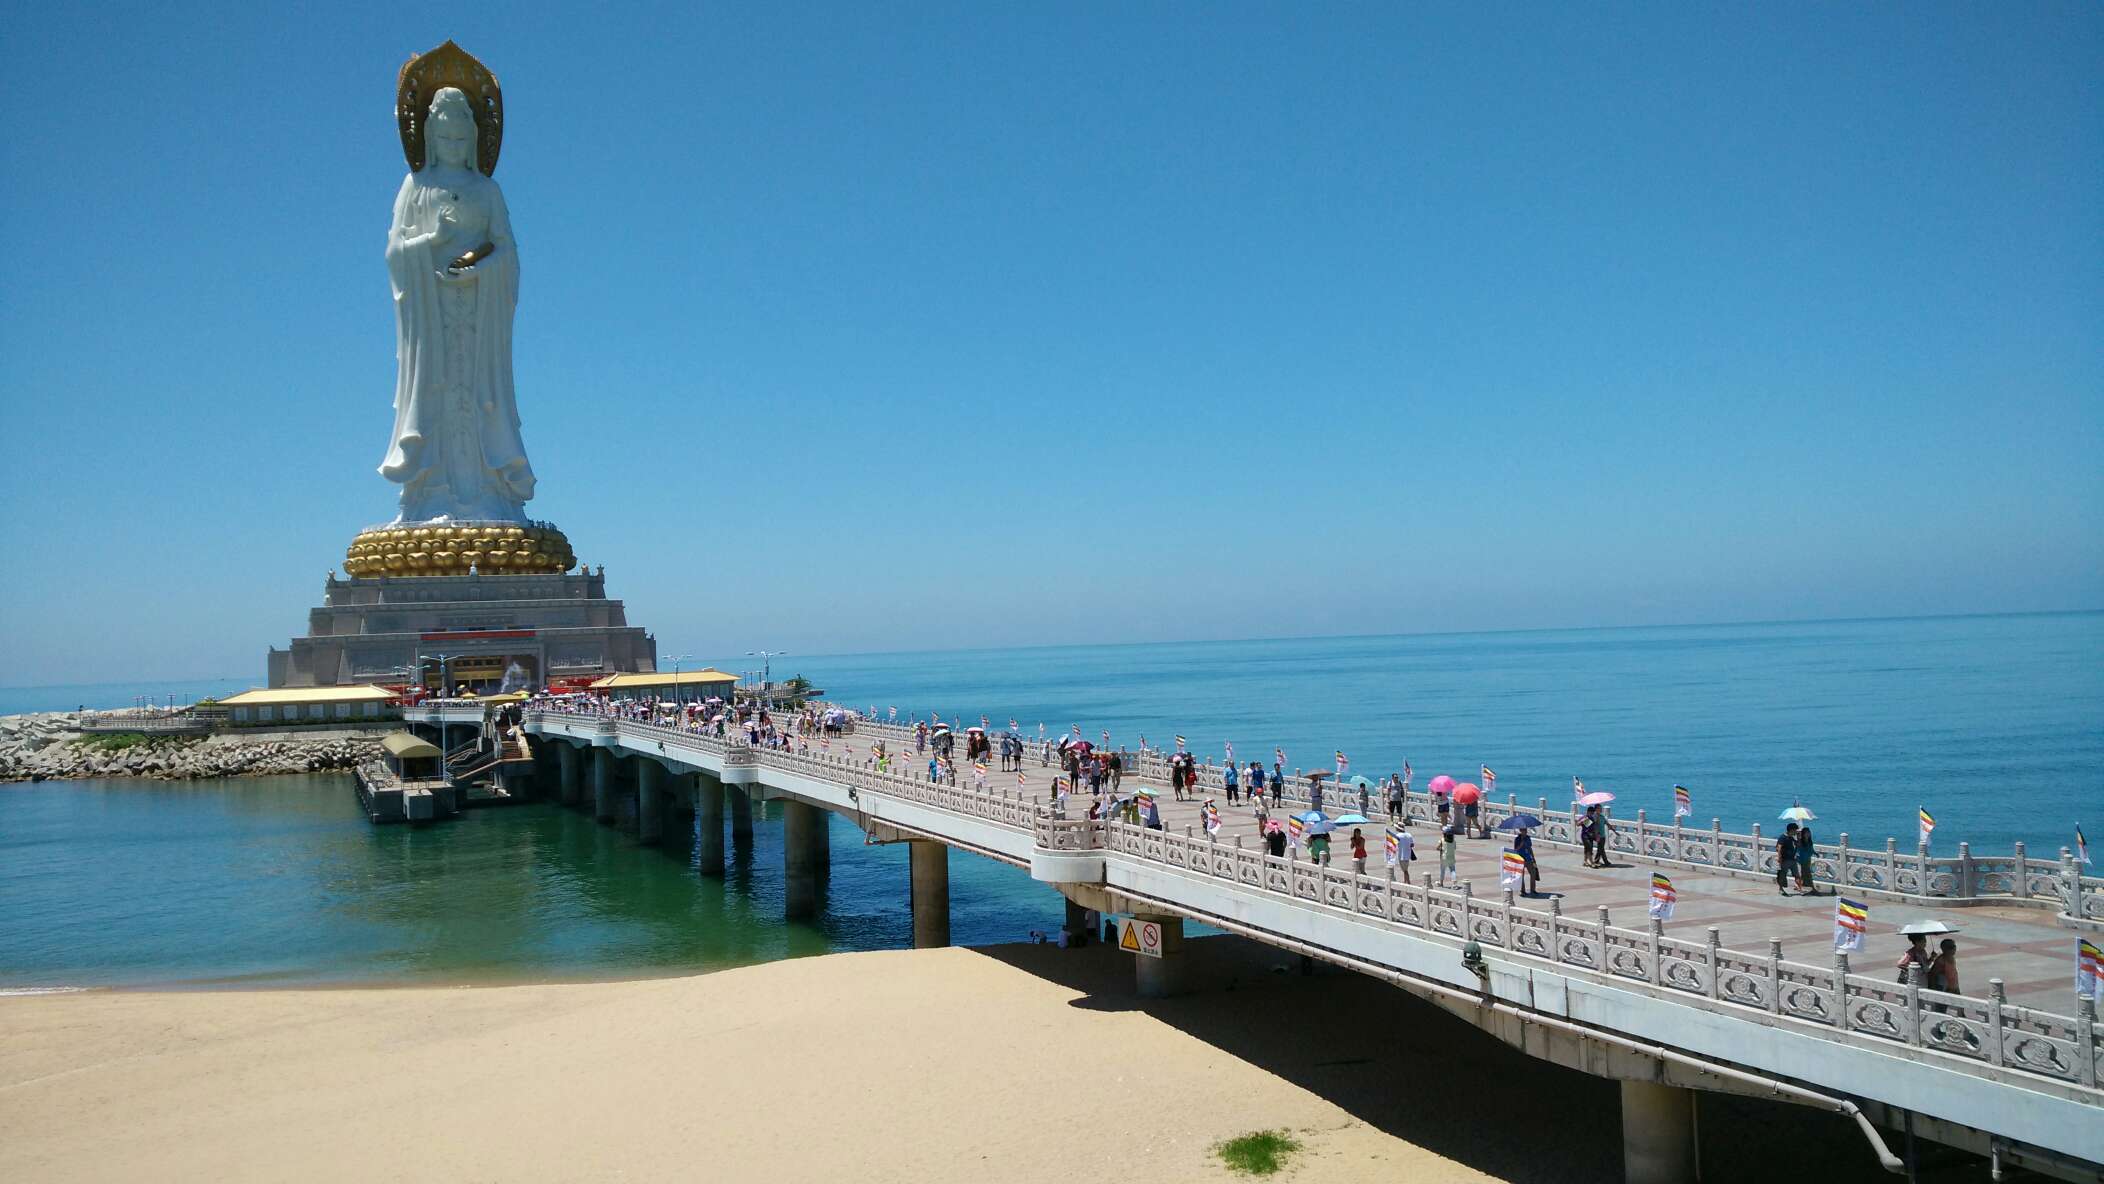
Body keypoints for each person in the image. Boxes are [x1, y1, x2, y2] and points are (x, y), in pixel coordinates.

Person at [1927, 938, 1960, 1010]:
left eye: (1954, 947)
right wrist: (1934, 990)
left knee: (1959, 1008)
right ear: (1943, 949)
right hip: (1944, 989)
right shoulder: (1940, 961)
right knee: (1942, 1009)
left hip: (1954, 987)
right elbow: (1932, 975)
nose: (1954, 949)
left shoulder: (1952, 958)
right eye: (1950, 947)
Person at [1513, 827, 1540, 896]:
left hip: (1528, 858)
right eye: (1523, 830)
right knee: (1521, 875)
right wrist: (1521, 844)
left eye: (1525, 830)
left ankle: (1533, 890)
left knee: (1533, 873)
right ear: (1520, 831)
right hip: (1520, 858)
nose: (1525, 832)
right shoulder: (1517, 839)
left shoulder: (1528, 838)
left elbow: (1530, 848)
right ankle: (1523, 891)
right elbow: (1515, 849)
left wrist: (1533, 858)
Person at [1776, 824, 1799, 896]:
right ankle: (1781, 889)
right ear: (1791, 830)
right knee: (1783, 875)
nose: (1796, 832)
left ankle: (1800, 888)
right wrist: (1779, 858)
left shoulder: (1791, 837)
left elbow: (1798, 844)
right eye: (1795, 830)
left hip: (1792, 859)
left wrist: (1798, 838)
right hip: (1785, 860)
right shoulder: (1782, 837)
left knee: (1797, 875)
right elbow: (1779, 848)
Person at [1795, 824, 1819, 895]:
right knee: (1803, 874)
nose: (1808, 834)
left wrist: (1815, 853)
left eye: (1809, 832)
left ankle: (1805, 887)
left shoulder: (1809, 841)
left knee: (1807, 874)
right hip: (1801, 860)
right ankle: (1802, 888)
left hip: (1808, 859)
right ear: (1803, 834)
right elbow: (1797, 848)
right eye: (1807, 833)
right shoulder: (1800, 841)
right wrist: (1798, 836)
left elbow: (1811, 849)